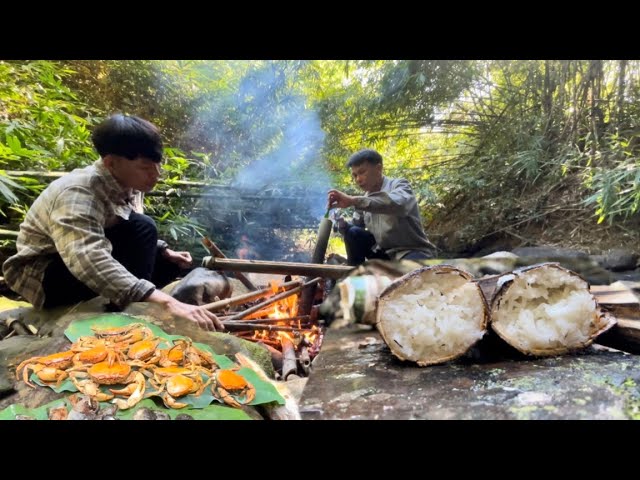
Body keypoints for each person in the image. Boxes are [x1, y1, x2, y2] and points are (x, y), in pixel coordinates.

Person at [2, 114, 222, 331]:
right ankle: (129, 313)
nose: (156, 175)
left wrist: (163, 251)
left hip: (77, 262)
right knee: (144, 226)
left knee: (164, 260)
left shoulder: (126, 182)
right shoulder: (78, 193)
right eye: (146, 167)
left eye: (157, 165)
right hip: (47, 276)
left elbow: (120, 229)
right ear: (110, 163)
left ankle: (128, 304)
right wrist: (167, 302)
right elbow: (88, 258)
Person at [327, 148, 436, 266]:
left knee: (411, 276)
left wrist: (353, 200)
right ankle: (354, 274)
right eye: (355, 175)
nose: (358, 179)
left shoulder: (399, 185)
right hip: (383, 254)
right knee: (353, 232)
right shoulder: (363, 199)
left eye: (362, 172)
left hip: (411, 251)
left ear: (379, 169)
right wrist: (343, 225)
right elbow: (356, 230)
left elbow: (396, 204)